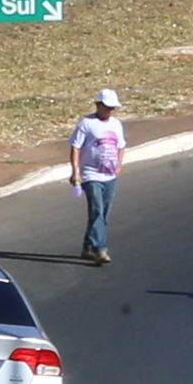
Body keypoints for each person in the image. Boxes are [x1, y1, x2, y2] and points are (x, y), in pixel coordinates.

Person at [69, 88, 125, 265]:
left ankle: (87, 247)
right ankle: (100, 249)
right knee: (97, 211)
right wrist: (76, 171)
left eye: (113, 108)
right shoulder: (86, 123)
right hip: (90, 175)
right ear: (98, 105)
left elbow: (121, 146)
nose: (110, 111)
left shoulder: (116, 124)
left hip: (109, 176)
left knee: (102, 215)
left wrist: (119, 165)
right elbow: (76, 147)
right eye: (107, 107)